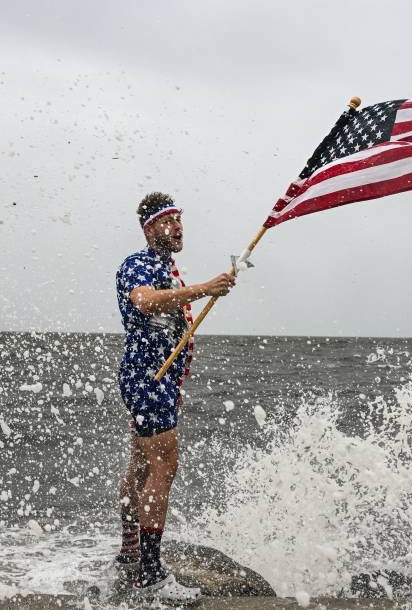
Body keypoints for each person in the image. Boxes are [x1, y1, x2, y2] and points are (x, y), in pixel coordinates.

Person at [113, 192, 235, 604]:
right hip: (148, 378)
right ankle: (149, 574)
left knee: (142, 463)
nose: (178, 227)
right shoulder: (139, 264)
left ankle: (130, 553)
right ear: (150, 229)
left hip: (158, 380)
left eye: (179, 219)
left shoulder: (167, 267)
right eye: (168, 221)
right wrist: (205, 288)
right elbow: (144, 301)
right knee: (164, 466)